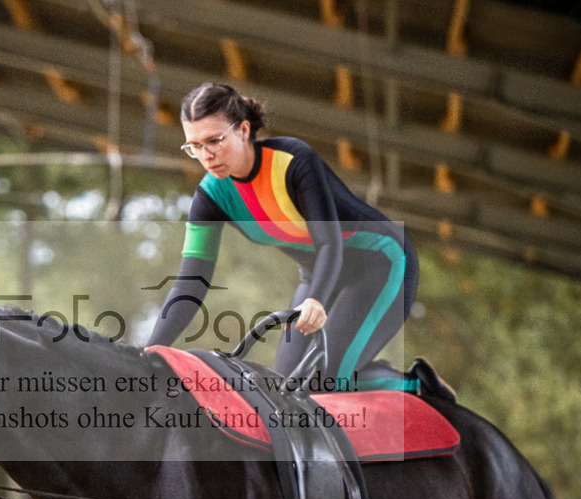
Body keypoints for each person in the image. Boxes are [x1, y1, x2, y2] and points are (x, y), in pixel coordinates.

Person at [148, 82, 422, 392]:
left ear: (243, 130)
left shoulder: (292, 161)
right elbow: (191, 283)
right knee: (282, 392)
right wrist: (151, 350)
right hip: (315, 276)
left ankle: (417, 386)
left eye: (214, 140)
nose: (205, 155)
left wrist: (316, 299)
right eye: (194, 146)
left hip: (381, 263)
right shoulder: (210, 198)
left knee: (322, 385)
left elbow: (329, 242)